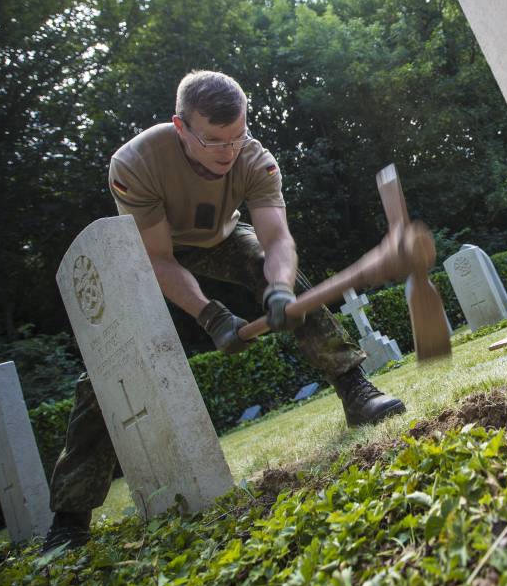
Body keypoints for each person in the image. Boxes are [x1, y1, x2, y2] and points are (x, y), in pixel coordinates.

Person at [43, 70, 406, 551]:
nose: (228, 152)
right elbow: (159, 259)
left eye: (238, 137)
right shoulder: (136, 163)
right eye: (214, 141)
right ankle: (69, 519)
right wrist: (210, 315)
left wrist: (277, 289)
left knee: (274, 272)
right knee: (112, 366)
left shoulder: (255, 159)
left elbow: (276, 239)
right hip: (150, 250)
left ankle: (355, 390)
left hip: (221, 236)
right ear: (180, 127)